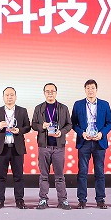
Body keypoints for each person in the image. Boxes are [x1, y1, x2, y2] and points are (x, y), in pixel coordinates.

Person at [71, 79, 111, 209]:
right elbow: (73, 123)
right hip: (84, 142)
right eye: (88, 88)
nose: (90, 90)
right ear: (85, 90)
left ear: (96, 90)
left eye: (93, 88)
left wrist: (102, 133)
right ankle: (82, 200)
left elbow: (109, 123)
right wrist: (81, 133)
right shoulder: (78, 104)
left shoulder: (104, 104)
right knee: (82, 172)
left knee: (99, 172)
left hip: (99, 142)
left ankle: (100, 200)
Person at [31, 82, 72, 210]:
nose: (50, 93)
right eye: (47, 91)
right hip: (44, 146)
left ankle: (63, 200)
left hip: (59, 146)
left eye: (52, 91)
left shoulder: (63, 108)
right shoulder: (38, 108)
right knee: (44, 175)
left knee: (60, 176)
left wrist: (62, 132)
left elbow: (69, 125)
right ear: (44, 93)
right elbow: (33, 124)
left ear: (56, 93)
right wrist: (41, 126)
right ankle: (43, 200)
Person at [0, 86, 32, 210]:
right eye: (7, 95)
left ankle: (19, 201)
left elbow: (28, 127)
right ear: (3, 97)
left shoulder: (22, 111)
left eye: (12, 95)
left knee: (18, 176)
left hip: (16, 148)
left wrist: (19, 130)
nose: (9, 97)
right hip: (2, 148)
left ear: (15, 97)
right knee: (0, 176)